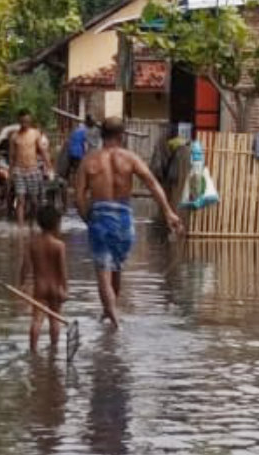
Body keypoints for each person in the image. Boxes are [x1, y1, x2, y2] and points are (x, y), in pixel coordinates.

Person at [75, 117, 182, 328]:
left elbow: (78, 197)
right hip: (124, 220)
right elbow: (152, 184)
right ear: (122, 136)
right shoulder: (130, 158)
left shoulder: (89, 161)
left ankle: (114, 320)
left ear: (101, 135)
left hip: (100, 217)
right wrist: (168, 212)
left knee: (103, 274)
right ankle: (110, 311)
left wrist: (89, 218)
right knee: (116, 267)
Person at [26, 205, 68, 353]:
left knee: (36, 320)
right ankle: (54, 348)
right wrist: (65, 289)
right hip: (56, 288)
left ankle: (33, 350)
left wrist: (21, 284)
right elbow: (63, 271)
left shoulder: (33, 244)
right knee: (55, 320)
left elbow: (25, 267)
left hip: (40, 288)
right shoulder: (59, 245)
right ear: (56, 224)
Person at [9, 109, 52, 225]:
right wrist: (10, 174)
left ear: (30, 121)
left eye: (27, 121)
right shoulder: (14, 137)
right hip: (19, 171)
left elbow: (42, 151)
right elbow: (12, 156)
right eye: (23, 121)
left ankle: (33, 224)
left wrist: (49, 167)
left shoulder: (35, 133)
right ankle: (21, 228)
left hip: (33, 169)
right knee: (20, 199)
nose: (25, 124)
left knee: (34, 201)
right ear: (19, 121)